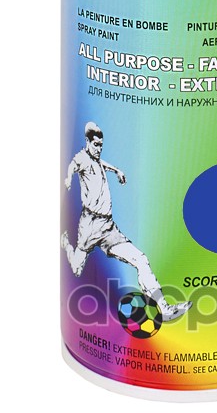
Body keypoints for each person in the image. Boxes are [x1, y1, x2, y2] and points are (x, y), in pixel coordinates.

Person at [61, 121, 191, 322]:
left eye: (101, 146)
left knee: (141, 259)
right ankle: (65, 244)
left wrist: (117, 171)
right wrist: (68, 179)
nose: (99, 149)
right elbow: (72, 166)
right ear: (87, 141)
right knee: (77, 268)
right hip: (89, 225)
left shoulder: (97, 160)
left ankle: (163, 309)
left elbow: (103, 164)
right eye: (95, 145)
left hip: (108, 227)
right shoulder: (81, 158)